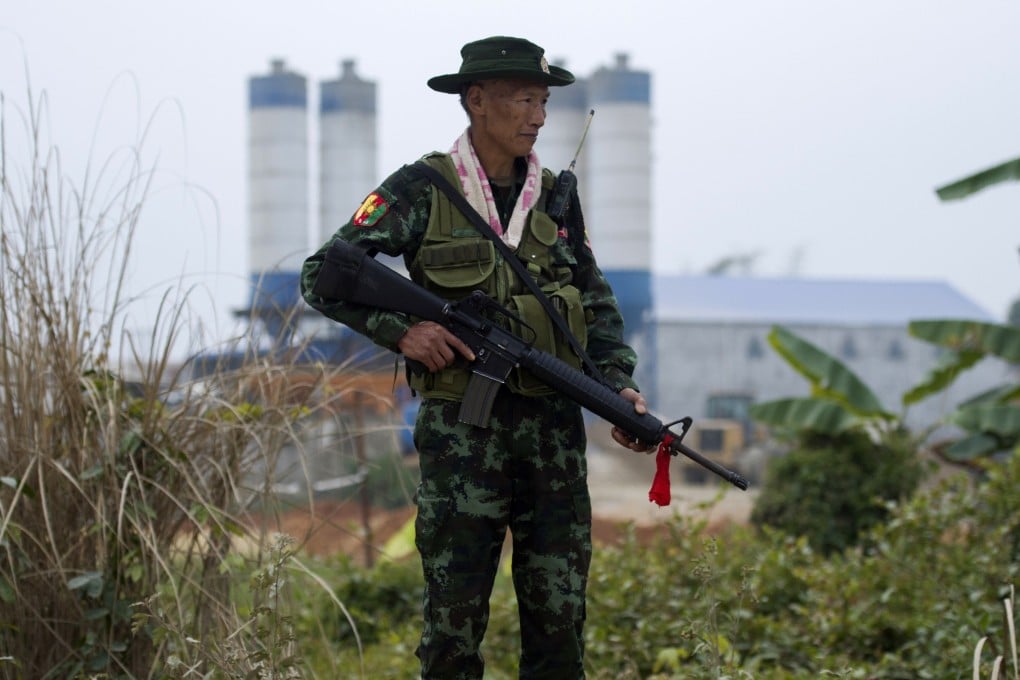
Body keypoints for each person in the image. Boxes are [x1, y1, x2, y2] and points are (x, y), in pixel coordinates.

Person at [301, 35, 650, 679]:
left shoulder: (555, 195)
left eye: (543, 102)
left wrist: (617, 386)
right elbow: (323, 273)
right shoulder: (422, 189)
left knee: (559, 633)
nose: (538, 117)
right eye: (523, 100)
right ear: (477, 100)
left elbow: (594, 303)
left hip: (553, 437)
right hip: (464, 438)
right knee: (453, 633)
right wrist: (401, 331)